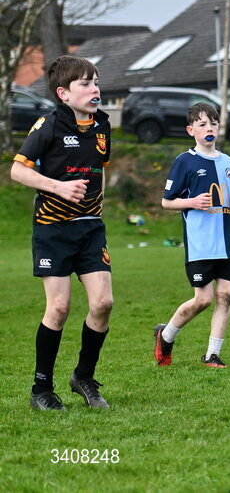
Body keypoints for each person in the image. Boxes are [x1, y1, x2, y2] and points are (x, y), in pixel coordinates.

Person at [11, 56, 113, 410]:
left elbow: (102, 168)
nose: (94, 88)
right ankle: (41, 389)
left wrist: (98, 204)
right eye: (84, 83)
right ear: (63, 93)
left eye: (96, 81)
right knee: (59, 307)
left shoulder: (103, 125)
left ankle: (83, 377)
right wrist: (57, 186)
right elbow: (17, 172)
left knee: (103, 303)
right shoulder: (48, 124)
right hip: (53, 229)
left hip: (90, 229)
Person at [153, 103, 230, 369]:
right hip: (201, 243)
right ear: (191, 129)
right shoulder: (185, 161)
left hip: (227, 241)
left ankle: (212, 355)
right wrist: (192, 202)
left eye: (213, 124)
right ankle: (166, 334)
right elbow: (166, 202)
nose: (209, 129)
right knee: (203, 299)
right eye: (203, 124)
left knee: (226, 294)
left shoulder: (228, 162)